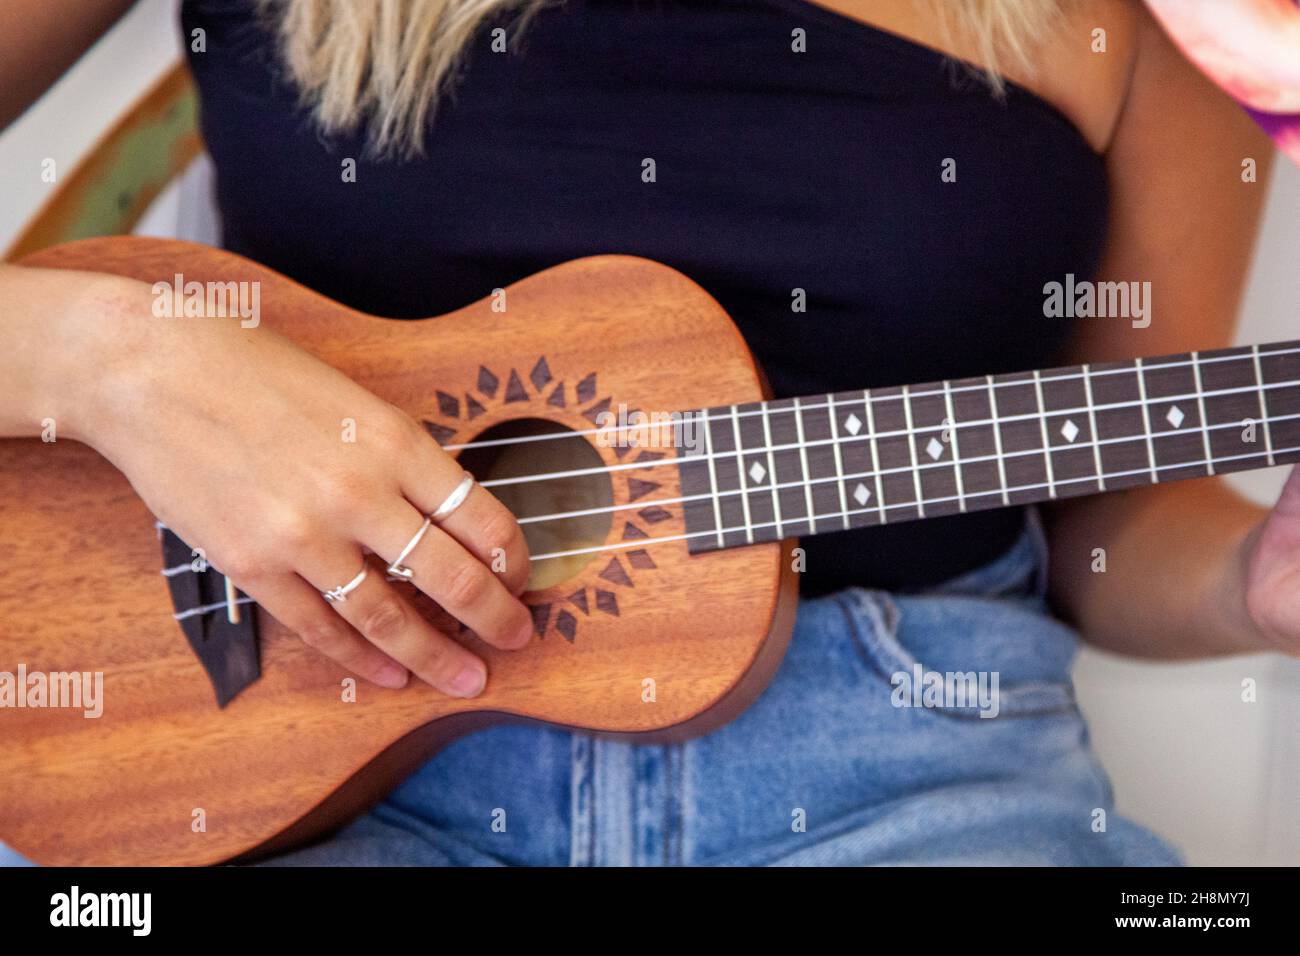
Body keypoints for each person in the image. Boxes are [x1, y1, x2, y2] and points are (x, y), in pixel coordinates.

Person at [2, 0, 1296, 865]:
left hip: (914, 762)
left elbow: (1117, 526)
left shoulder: (1177, 20)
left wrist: (1257, 585)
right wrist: (117, 365)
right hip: (283, 739)